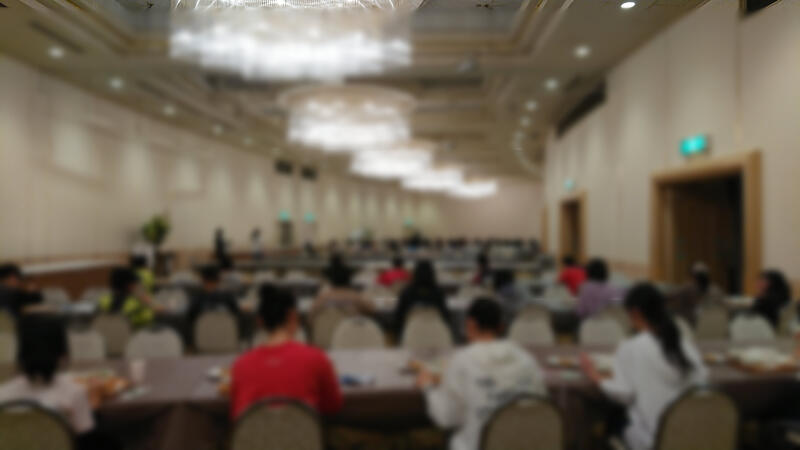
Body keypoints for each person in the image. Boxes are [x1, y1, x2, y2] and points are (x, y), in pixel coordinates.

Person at [580, 283, 708, 450]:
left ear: (635, 313)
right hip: (695, 440)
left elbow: (624, 394)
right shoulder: (686, 347)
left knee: (611, 420)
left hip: (653, 441)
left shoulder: (631, 347)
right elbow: (703, 382)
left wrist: (595, 376)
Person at [416, 298, 546, 450]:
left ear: (470, 324)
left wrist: (428, 387)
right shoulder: (526, 359)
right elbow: (541, 408)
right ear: (501, 327)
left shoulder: (463, 360)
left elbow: (446, 418)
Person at [0, 315, 119, 450]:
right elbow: (88, 441)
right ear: (62, 351)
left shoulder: (3, 394)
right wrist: (94, 401)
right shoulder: (74, 392)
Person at [230, 284, 343, 419]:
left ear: (260, 321)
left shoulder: (241, 365)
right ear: (293, 316)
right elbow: (333, 406)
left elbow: (237, 415)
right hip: (303, 432)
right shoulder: (316, 358)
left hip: (254, 433)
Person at [187, 265, 242, 347]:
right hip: (227, 341)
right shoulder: (227, 297)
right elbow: (237, 314)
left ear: (202, 280)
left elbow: (190, 317)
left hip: (203, 342)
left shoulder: (197, 298)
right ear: (219, 280)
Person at [394, 260, 451, 337]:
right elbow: (445, 316)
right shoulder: (438, 293)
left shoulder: (407, 293)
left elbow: (399, 317)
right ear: (432, 274)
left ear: (415, 274)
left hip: (410, 335)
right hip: (437, 335)